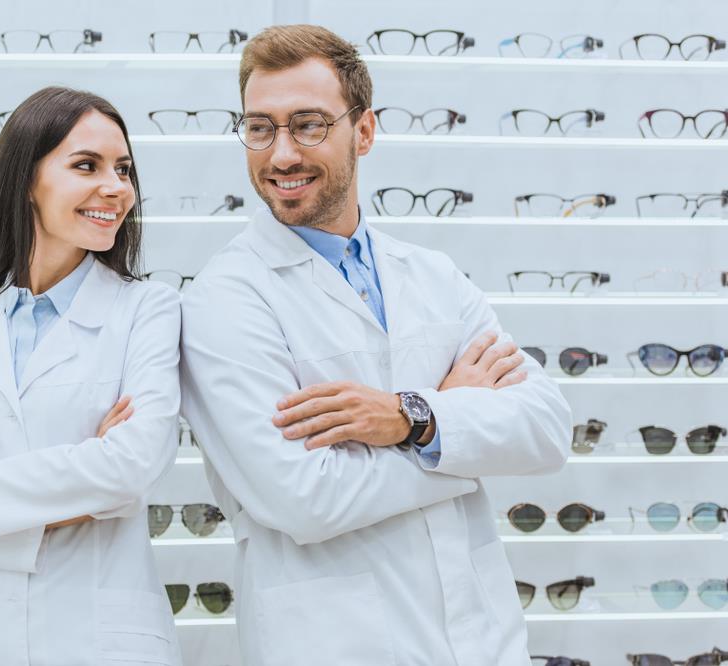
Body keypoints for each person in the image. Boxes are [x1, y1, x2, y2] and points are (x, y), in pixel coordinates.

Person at [180, 25, 572, 665]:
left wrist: (409, 419)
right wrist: (448, 421)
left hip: (483, 640)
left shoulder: (433, 276)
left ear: (363, 131)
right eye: (260, 128)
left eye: (308, 125)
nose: (281, 155)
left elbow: (549, 428)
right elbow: (305, 500)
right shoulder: (225, 300)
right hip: (333, 644)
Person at [0, 86, 183, 666]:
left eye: (123, 169)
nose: (115, 187)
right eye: (85, 166)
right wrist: (75, 497)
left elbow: (130, 466)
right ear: (27, 179)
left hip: (105, 643)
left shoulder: (148, 310)